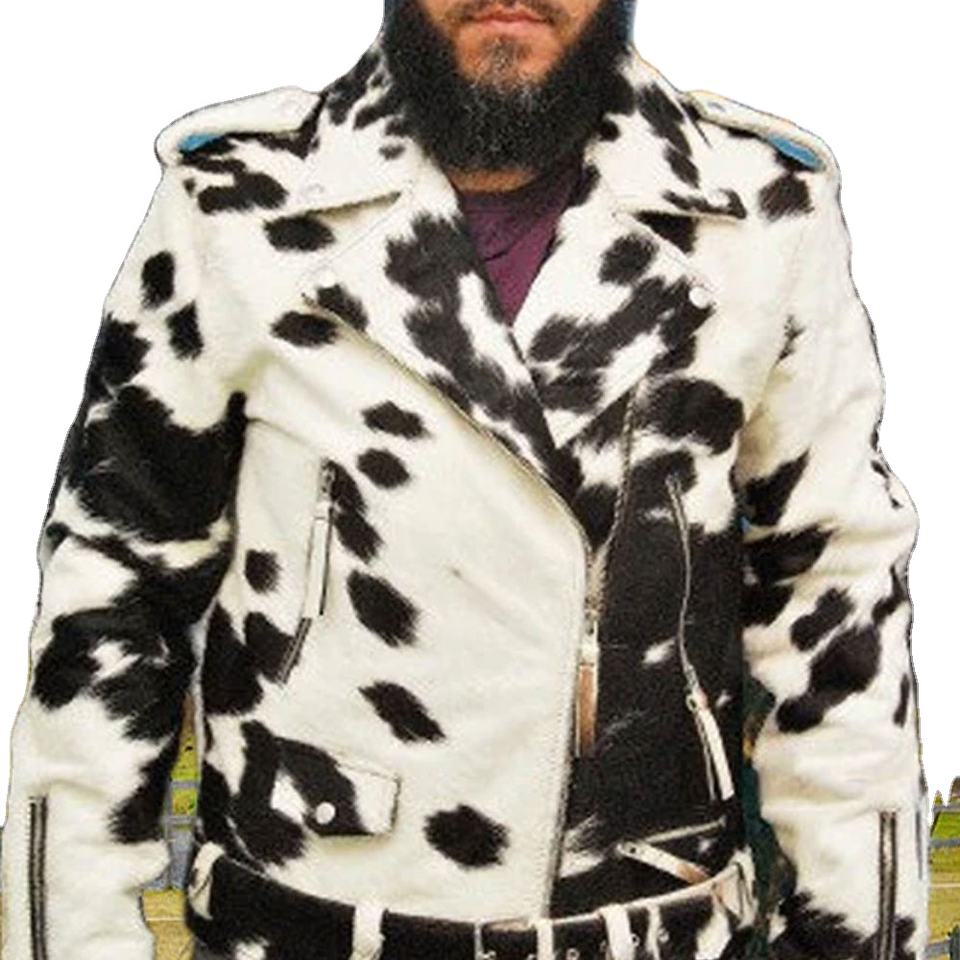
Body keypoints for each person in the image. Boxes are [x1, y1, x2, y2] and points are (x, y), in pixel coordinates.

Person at [1, 1, 930, 958]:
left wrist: (856, 937)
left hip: (650, 929)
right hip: (299, 923)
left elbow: (835, 593)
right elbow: (114, 585)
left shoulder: (761, 209)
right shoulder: (240, 199)